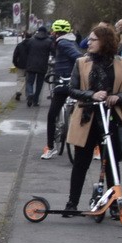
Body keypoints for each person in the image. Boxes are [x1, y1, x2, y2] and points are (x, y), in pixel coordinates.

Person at [63, 24, 122, 214]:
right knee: (81, 163)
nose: (88, 42)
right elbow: (72, 89)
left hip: (112, 119)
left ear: (105, 42)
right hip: (86, 119)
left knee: (112, 163)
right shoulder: (81, 63)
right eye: (89, 39)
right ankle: (72, 204)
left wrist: (118, 97)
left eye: (93, 39)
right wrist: (91, 94)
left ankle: (114, 205)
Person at [42, 19, 84, 159]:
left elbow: (78, 58)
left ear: (56, 32)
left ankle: (50, 147)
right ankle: (95, 148)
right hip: (75, 81)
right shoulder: (72, 41)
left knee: (52, 115)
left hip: (64, 82)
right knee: (85, 113)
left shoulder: (63, 43)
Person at [23, 25, 52, 107]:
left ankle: (30, 93)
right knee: (39, 84)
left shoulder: (31, 41)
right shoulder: (48, 41)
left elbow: (25, 51)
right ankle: (35, 101)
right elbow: (53, 52)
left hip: (31, 65)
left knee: (29, 82)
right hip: (42, 66)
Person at [12, 32, 29, 101]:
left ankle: (18, 91)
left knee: (20, 79)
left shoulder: (19, 45)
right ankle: (28, 94)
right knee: (29, 80)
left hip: (20, 64)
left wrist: (16, 63)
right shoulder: (32, 45)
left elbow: (15, 56)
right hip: (30, 65)